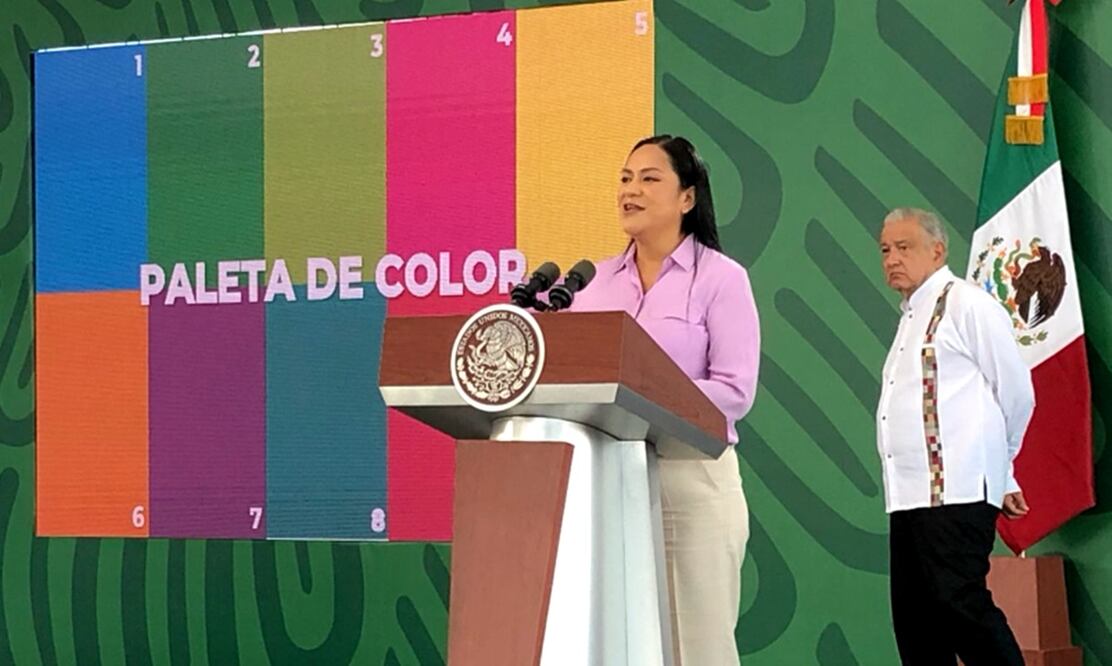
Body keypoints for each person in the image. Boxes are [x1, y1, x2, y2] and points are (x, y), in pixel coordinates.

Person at [570, 135, 760, 665]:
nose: (631, 190)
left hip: (690, 481)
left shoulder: (722, 279)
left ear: (687, 198)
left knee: (697, 647)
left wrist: (642, 395)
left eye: (650, 179)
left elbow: (734, 390)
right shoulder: (591, 284)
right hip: (608, 483)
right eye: (625, 178)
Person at [877, 207, 1034, 666]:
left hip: (956, 490)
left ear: (938, 251)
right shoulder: (910, 316)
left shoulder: (968, 305)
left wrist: (1002, 471)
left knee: (960, 606)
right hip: (908, 494)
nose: (892, 259)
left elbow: (1017, 393)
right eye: (885, 250)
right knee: (915, 621)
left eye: (904, 247)